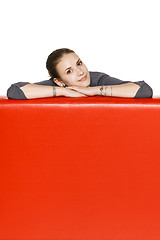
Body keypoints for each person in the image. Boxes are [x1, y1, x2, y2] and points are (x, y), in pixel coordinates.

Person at [7, 48, 153, 99]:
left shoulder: (97, 78)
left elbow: (143, 90)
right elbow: (15, 91)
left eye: (79, 63)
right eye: (69, 71)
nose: (80, 72)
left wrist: (93, 90)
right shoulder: (57, 85)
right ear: (58, 81)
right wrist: (63, 92)